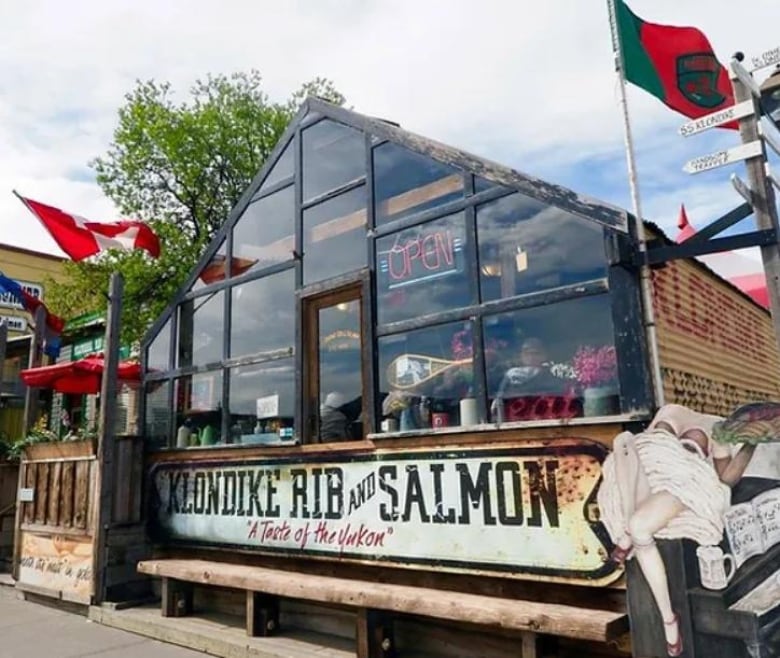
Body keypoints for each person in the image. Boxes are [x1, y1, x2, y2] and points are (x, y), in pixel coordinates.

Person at [597, 404, 757, 657]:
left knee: (639, 527)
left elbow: (725, 479)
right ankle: (628, 532)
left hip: (683, 483)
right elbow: (643, 449)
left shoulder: (719, 430)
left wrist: (751, 445)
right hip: (652, 471)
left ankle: (669, 619)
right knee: (624, 444)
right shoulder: (670, 411)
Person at [491, 337, 568, 420]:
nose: (531, 357)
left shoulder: (553, 382)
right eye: (527, 353)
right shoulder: (509, 379)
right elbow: (500, 405)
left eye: (536, 353)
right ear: (521, 356)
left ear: (544, 356)